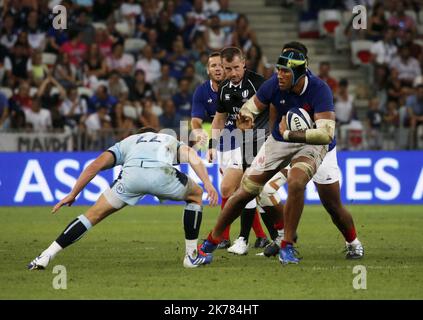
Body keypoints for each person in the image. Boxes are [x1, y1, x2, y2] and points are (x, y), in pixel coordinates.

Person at [201, 42, 363, 265]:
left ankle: (353, 242)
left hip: (315, 144)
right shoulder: (273, 85)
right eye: (278, 69)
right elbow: (251, 106)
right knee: (248, 189)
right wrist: (245, 117)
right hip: (280, 140)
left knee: (329, 203)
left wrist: (289, 134)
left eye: (285, 71)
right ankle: (212, 242)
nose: (280, 75)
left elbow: (325, 133)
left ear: (299, 72)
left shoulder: (319, 88)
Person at [28, 127, 218, 270]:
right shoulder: (167, 137)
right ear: (154, 133)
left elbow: (95, 165)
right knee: (196, 195)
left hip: (131, 177)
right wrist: (208, 184)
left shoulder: (128, 142)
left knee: (91, 216)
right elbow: (192, 155)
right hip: (161, 174)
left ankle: (46, 255)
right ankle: (191, 256)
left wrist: (73, 194)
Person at [191, 51, 273, 252]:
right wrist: (211, 144)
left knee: (252, 189)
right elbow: (219, 119)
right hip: (237, 143)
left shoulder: (258, 83)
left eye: (236, 67)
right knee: (229, 189)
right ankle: (270, 237)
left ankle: (245, 239)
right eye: (228, 68)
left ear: (244, 64)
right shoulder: (224, 89)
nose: (232, 72)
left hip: (260, 143)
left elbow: (274, 108)